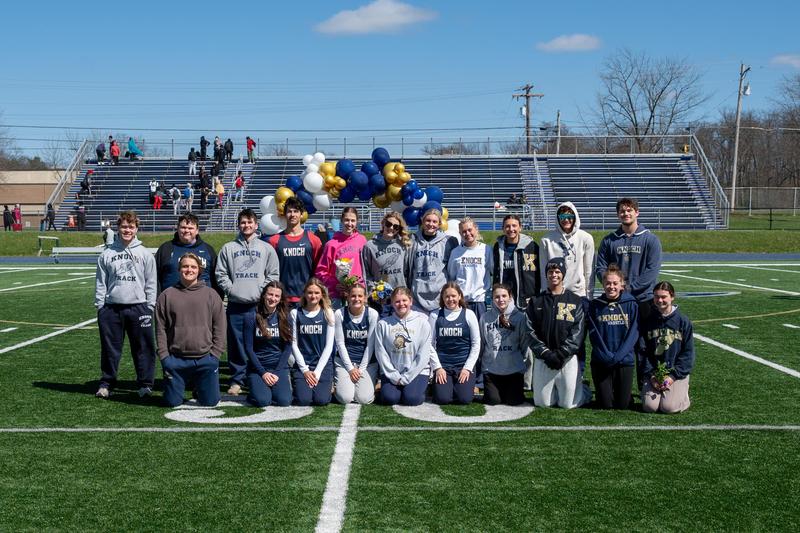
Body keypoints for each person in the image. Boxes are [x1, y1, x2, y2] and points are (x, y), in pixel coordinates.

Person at [595, 197, 662, 385]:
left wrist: (628, 288)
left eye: (629, 210)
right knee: (617, 343)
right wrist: (614, 286)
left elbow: (651, 271)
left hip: (643, 300)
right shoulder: (609, 240)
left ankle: (645, 384)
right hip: (617, 301)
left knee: (644, 344)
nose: (626, 213)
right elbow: (600, 267)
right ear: (618, 214)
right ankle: (618, 385)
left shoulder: (650, 239)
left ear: (637, 212)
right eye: (622, 211)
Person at [215, 208, 280, 395]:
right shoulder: (228, 248)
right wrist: (232, 290)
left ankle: (256, 376)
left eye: (250, 222)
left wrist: (262, 292)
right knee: (236, 344)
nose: (246, 225)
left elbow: (273, 274)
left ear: (256, 225)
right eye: (243, 222)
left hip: (258, 306)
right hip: (235, 305)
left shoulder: (266, 248)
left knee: (258, 343)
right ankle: (237, 380)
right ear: (239, 225)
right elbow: (221, 274)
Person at [94, 211, 157, 399]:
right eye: (124, 226)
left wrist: (150, 306)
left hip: (139, 307)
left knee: (143, 348)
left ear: (136, 228)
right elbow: (100, 282)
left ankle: (145, 384)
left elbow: (151, 282)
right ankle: (107, 383)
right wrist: (100, 305)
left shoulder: (145, 254)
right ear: (118, 228)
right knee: (110, 348)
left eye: (131, 226)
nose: (127, 230)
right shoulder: (107, 254)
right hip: (112, 308)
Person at [155, 252, 225, 407]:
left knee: (211, 402)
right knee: (172, 402)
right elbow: (160, 330)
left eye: (193, 267)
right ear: (179, 269)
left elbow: (220, 327)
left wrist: (215, 356)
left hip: (205, 358)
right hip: (176, 360)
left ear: (199, 270)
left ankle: (201, 387)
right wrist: (165, 358)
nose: (189, 270)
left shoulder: (211, 294)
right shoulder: (167, 295)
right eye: (185, 266)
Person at [527, 258, 588, 409]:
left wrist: (561, 353)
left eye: (557, 272)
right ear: (546, 275)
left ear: (563, 274)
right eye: (550, 272)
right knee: (542, 403)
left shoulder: (575, 300)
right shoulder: (536, 301)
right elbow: (530, 331)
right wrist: (546, 353)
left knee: (568, 404)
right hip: (544, 358)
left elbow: (578, 332)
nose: (554, 275)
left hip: (566, 358)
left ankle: (583, 389)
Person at [586, 264, 639, 409]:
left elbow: (633, 334)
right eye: (608, 283)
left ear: (622, 285)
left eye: (615, 283)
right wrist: (607, 355)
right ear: (602, 284)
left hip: (624, 360)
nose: (611, 287)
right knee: (606, 405)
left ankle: (625, 394)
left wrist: (619, 356)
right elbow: (594, 335)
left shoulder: (631, 304)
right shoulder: (595, 305)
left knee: (623, 405)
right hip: (602, 360)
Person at [641, 281, 695, 414]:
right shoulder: (648, 321)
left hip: (675, 373)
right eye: (656, 297)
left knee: (669, 408)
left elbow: (688, 353)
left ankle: (684, 397)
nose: (660, 300)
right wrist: (652, 375)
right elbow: (642, 351)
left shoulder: (683, 321)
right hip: (654, 372)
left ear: (672, 297)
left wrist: (672, 376)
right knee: (650, 407)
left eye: (664, 297)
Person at [374, 287, 433, 406]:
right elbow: (380, 352)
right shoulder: (383, 324)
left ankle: (417, 389)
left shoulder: (423, 322)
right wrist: (393, 375)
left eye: (404, 300)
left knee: (411, 399)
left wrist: (407, 377)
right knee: (390, 398)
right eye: (397, 301)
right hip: (392, 372)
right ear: (392, 303)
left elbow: (424, 354)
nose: (401, 304)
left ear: (410, 301)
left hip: (416, 371)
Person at [429, 283, 480, 405]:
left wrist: (467, 368)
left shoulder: (469, 314)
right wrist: (437, 368)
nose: (450, 299)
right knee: (443, 399)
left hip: (463, 365)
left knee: (465, 399)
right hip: (443, 366)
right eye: (447, 296)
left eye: (453, 296)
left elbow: (476, 343)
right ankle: (443, 387)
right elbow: (429, 344)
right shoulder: (435, 315)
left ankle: (457, 387)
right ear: (442, 298)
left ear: (460, 296)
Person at [243, 281, 293, 407]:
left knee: (284, 401)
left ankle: (271, 389)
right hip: (258, 368)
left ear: (280, 299)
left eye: (277, 296)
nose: (273, 298)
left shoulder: (285, 317)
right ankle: (255, 389)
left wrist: (276, 372)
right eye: (270, 294)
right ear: (264, 295)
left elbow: (287, 348)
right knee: (262, 401)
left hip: (277, 367)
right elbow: (248, 349)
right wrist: (263, 373)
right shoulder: (251, 316)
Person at [479, 283, 530, 405]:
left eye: (504, 296)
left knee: (513, 401)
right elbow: (483, 342)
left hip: (513, 370)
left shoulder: (520, 318)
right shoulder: (485, 317)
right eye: (497, 297)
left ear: (510, 297)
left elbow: (524, 344)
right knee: (493, 400)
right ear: (492, 299)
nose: (501, 299)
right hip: (492, 370)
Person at [267, 197, 323, 307]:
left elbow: (318, 271)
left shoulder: (313, 240)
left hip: (306, 298)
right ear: (285, 214)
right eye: (289, 211)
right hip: (281, 299)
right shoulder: (274, 241)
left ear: (301, 214)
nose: (292, 215)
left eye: (296, 211)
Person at [290, 278, 336, 406]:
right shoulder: (295, 313)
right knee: (303, 400)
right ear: (304, 293)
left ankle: (329, 384)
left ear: (322, 294)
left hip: (322, 365)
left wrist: (317, 372)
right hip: (303, 364)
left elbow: (329, 347)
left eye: (316, 293)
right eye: (310, 292)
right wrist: (305, 370)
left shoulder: (328, 313)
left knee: (321, 400)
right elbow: (293, 344)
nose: (313, 296)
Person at [334, 284, 380, 404]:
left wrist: (360, 370)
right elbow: (340, 343)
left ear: (365, 298)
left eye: (360, 296)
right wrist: (350, 369)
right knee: (345, 398)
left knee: (364, 399)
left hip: (367, 363)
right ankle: (342, 385)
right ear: (348, 297)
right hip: (344, 362)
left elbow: (371, 345)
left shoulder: (372, 314)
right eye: (353, 296)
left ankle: (370, 385)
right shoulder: (339, 313)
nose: (357, 299)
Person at [539, 202, 595, 299]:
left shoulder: (586, 238)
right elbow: (544, 271)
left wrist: (589, 295)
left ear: (575, 217)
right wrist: (545, 294)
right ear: (557, 218)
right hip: (554, 294)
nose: (566, 220)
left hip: (578, 294)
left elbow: (589, 271)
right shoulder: (546, 240)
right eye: (562, 216)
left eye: (569, 216)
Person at [408, 208, 458, 313]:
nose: (431, 224)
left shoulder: (448, 241)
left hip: (440, 296)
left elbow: (453, 269)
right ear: (422, 221)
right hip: (417, 296)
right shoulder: (412, 239)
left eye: (434, 221)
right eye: (428, 220)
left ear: (440, 224)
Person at [361, 211, 411, 314]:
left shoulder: (403, 245)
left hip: (399, 298)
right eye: (388, 224)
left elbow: (407, 272)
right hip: (380, 299)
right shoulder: (370, 246)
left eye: (396, 226)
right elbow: (366, 273)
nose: (391, 228)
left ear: (398, 229)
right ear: (383, 223)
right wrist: (373, 291)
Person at [155, 213, 219, 295]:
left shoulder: (208, 250)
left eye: (190, 228)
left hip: (202, 301)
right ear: (177, 228)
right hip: (172, 301)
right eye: (183, 227)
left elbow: (216, 278)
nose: (187, 231)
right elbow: (154, 277)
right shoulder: (166, 249)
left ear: (197, 231)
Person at [314, 207, 367, 306]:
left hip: (358, 294)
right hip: (337, 296)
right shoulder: (331, 244)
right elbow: (321, 271)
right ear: (341, 221)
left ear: (357, 222)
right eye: (347, 220)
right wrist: (335, 284)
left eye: (353, 221)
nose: (349, 224)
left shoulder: (362, 241)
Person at [447, 217, 492, 320]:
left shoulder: (486, 250)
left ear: (476, 229)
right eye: (463, 231)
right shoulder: (455, 252)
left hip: (480, 301)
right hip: (461, 301)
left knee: (480, 334)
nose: (467, 233)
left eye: (470, 230)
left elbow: (492, 270)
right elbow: (452, 276)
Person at [492, 213, 540, 309]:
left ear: (520, 228)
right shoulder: (498, 247)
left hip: (526, 299)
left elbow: (539, 273)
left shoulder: (532, 246)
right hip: (504, 299)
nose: (511, 229)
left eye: (514, 226)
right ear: (503, 228)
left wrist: (535, 295)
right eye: (507, 226)